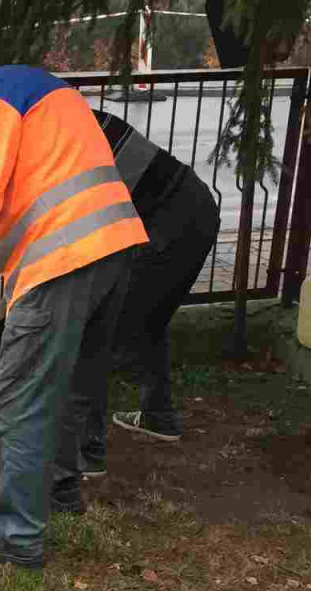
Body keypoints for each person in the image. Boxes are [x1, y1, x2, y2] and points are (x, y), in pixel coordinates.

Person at [0, 39, 149, 569]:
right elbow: (36, 203)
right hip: (111, 248)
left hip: (62, 263)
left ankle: (16, 536)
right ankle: (60, 491)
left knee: (16, 400)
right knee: (59, 384)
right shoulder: (36, 88)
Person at [79, 110, 220, 478]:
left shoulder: (69, 138)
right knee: (147, 320)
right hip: (194, 207)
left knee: (96, 333)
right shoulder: (83, 117)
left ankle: (83, 453)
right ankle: (158, 417)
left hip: (169, 222)